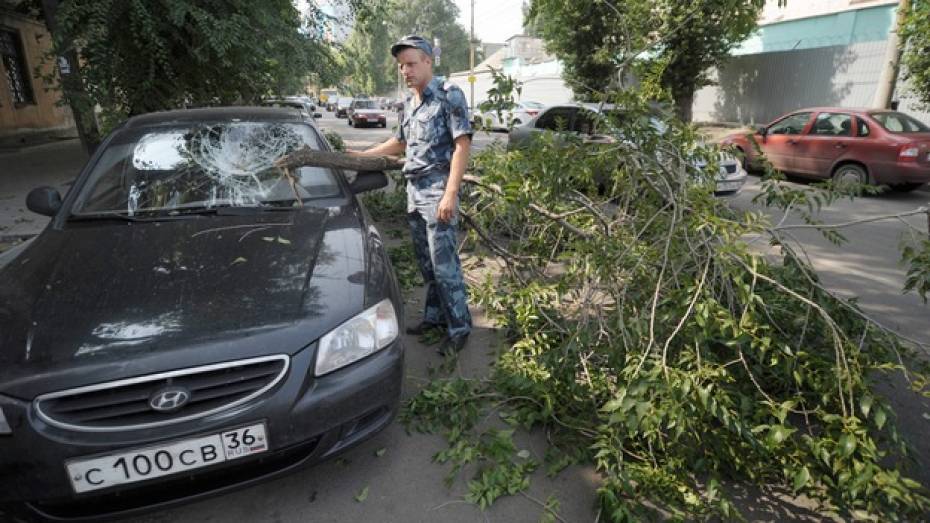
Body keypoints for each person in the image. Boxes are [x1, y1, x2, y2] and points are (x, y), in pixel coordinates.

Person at [351, 35, 473, 355]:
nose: (406, 71)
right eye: (402, 66)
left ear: (428, 61)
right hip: (413, 191)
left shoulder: (449, 95)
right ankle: (434, 318)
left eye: (412, 63)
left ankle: (459, 327)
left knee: (445, 265)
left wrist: (450, 194)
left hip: (437, 190)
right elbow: (399, 144)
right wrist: (360, 156)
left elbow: (462, 145)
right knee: (426, 263)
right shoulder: (411, 102)